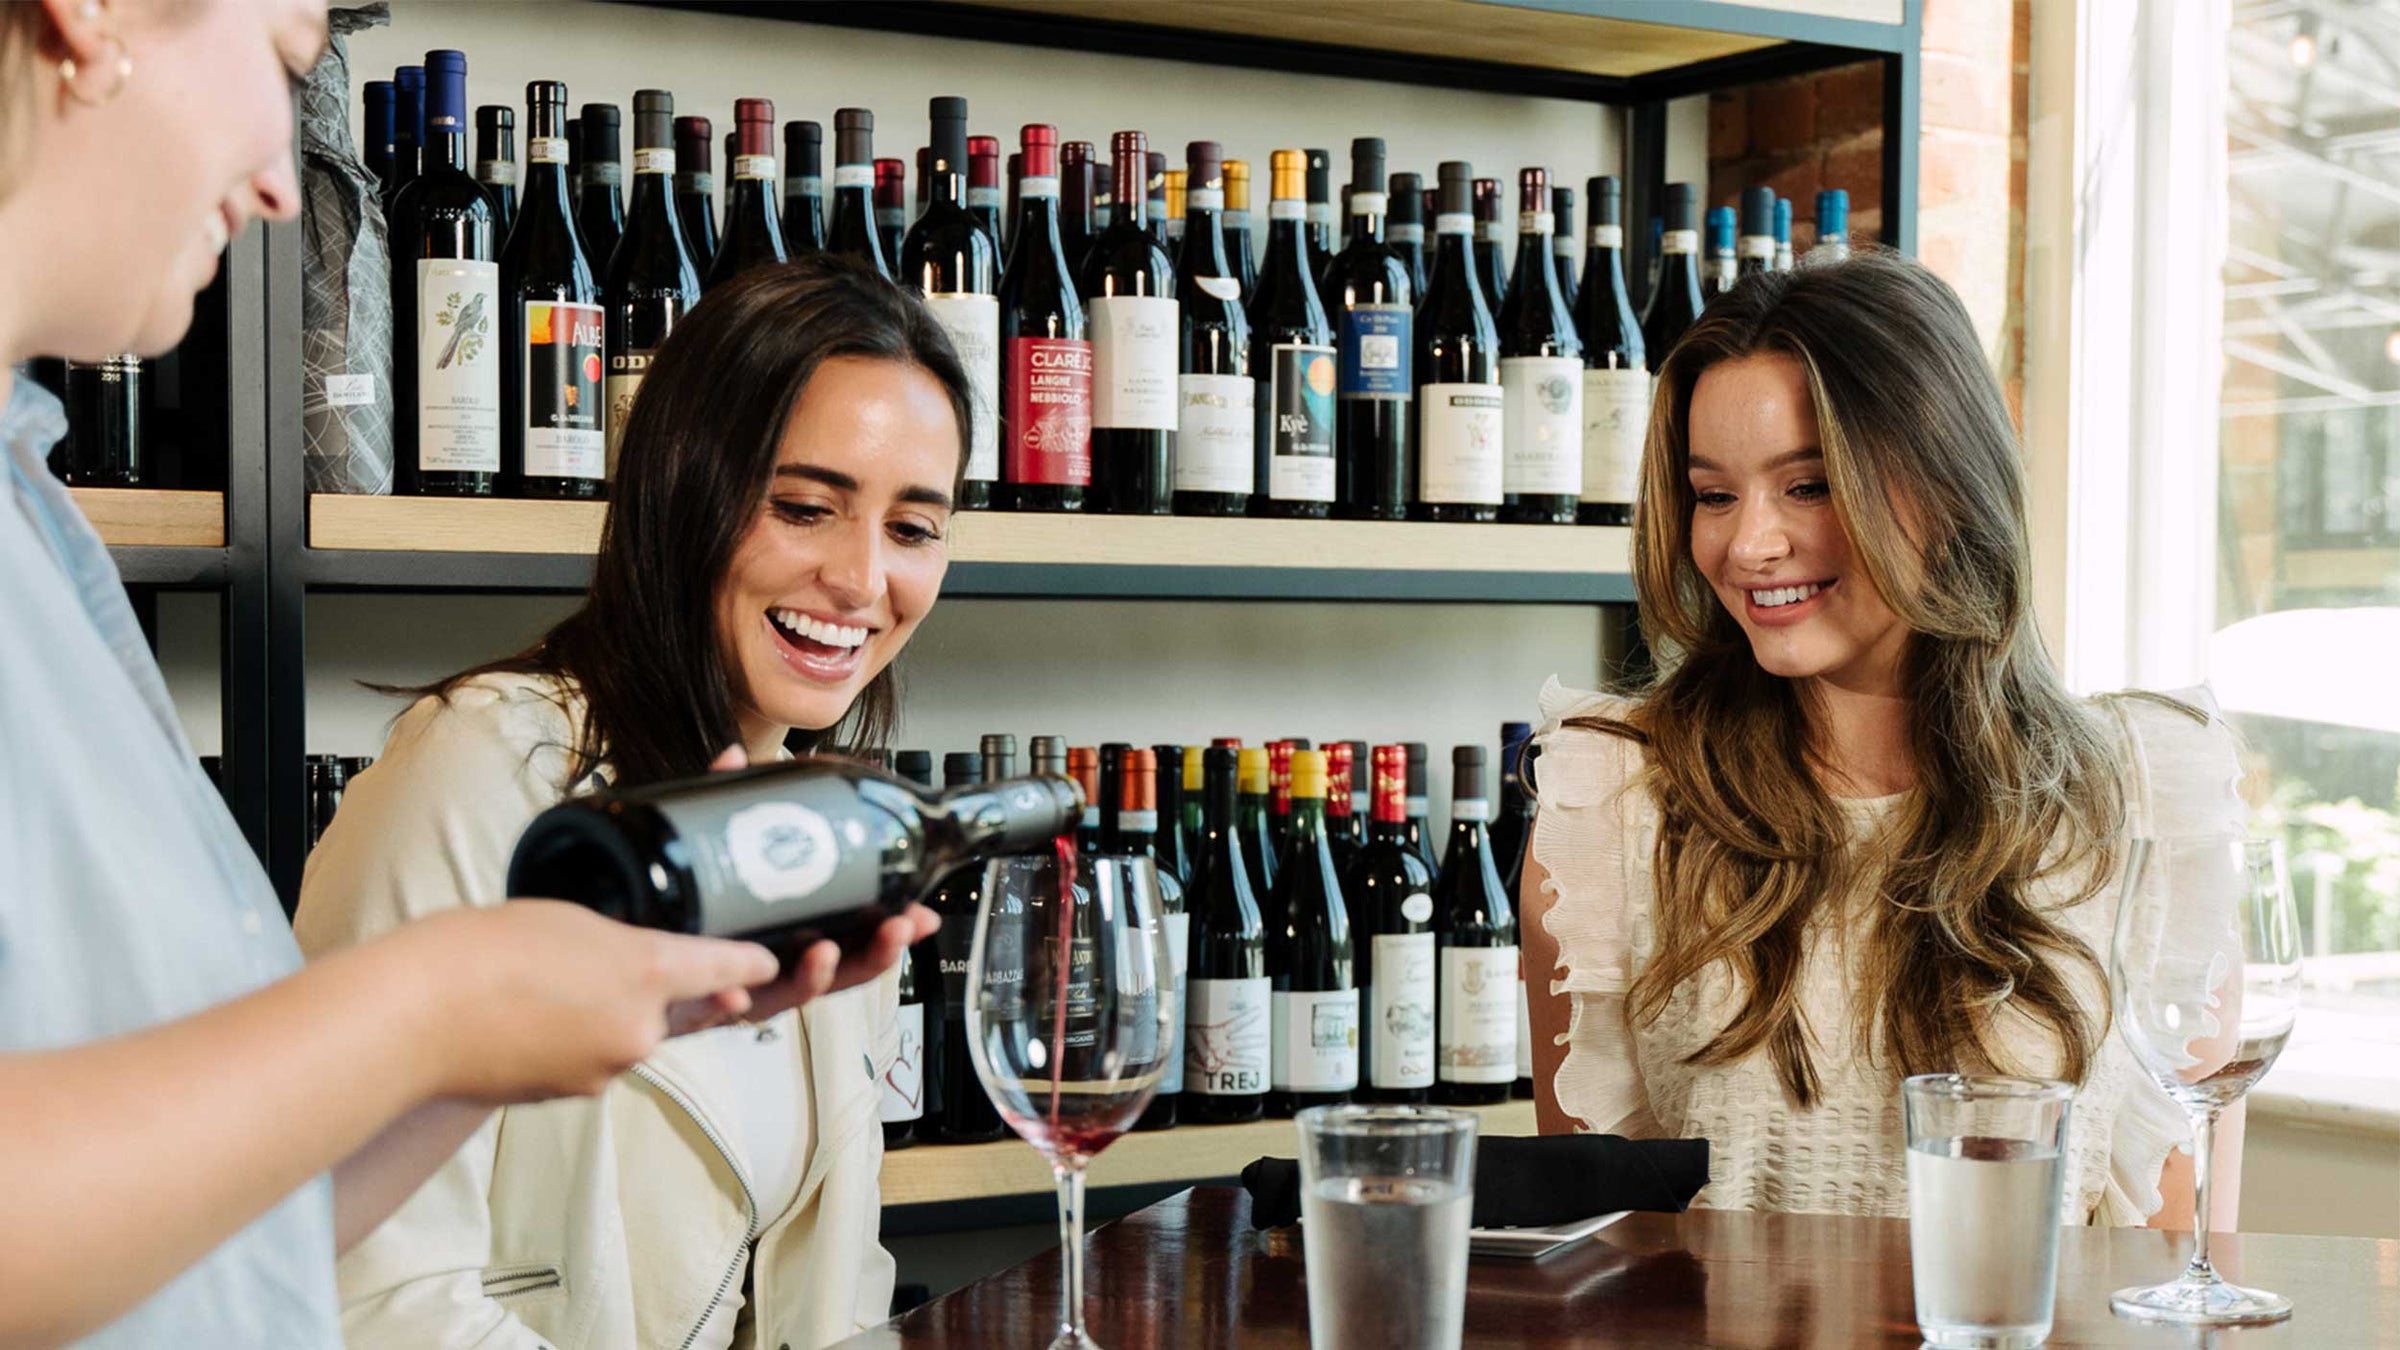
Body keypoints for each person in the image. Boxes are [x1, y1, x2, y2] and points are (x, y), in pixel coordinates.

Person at [0, 2, 925, 1345]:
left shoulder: (36, 520)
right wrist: (430, 1005)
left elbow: (217, 1236)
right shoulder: (478, 760)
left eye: (914, 522)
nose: (280, 180)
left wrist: (480, 1036)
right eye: (285, 64)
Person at [291, 256, 964, 1350]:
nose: (860, 579)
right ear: (679, 487)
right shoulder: (482, 770)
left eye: (912, 528)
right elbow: (367, 1290)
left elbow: (838, 1275)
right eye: (804, 507)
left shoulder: (833, 818)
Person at [1522, 250, 2249, 1226]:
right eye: (1715, 494)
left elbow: (2182, 1249)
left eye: (1809, 486)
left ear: (1947, 487)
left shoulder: (2148, 798)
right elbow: (1590, 1246)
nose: (1747, 546)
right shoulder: (1619, 804)